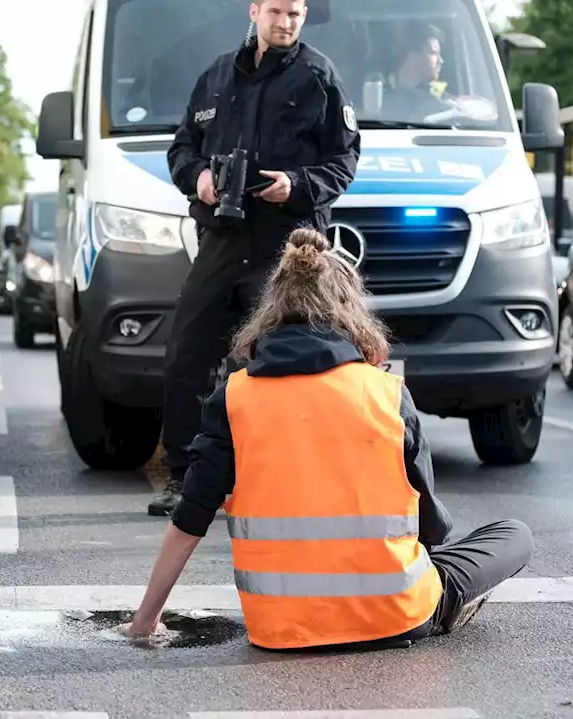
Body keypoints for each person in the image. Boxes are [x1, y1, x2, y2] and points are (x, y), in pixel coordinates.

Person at [120, 228, 534, 649]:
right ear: (352, 311)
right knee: (514, 534)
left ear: (271, 311)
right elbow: (432, 527)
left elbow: (189, 519)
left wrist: (145, 621)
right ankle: (443, 608)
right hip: (392, 616)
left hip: (280, 628)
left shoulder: (234, 398)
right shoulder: (387, 393)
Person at [151, 0, 361, 516]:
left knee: (288, 364)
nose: (286, 22)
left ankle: (285, 480)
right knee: (187, 357)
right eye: (276, 11)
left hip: (286, 247)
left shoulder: (319, 76)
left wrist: (295, 185)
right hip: (222, 239)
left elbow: (345, 159)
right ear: (254, 10)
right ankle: (185, 479)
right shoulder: (217, 75)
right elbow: (182, 147)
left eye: (295, 13)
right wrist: (198, 178)